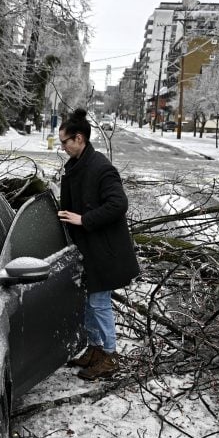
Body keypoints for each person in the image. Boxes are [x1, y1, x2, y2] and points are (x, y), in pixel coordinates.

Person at [56, 108, 140, 380]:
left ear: (79, 139)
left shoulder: (100, 167)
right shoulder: (77, 166)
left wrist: (84, 219)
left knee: (99, 303)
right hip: (88, 250)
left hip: (105, 251)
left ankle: (110, 356)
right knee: (91, 303)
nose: (63, 147)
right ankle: (95, 350)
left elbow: (119, 204)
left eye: (64, 142)